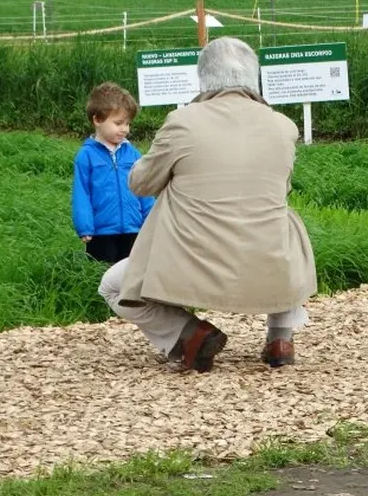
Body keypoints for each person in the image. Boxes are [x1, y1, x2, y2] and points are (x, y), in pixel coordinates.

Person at [98, 37, 317, 372]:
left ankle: (190, 334)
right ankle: (280, 337)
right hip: (267, 262)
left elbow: (141, 184)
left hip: (192, 264)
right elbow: (282, 188)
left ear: (202, 78)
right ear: (254, 78)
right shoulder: (283, 127)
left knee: (113, 286)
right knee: (283, 221)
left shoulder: (182, 122)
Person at [72, 82, 154, 264]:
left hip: (134, 229)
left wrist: (150, 220)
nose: (125, 129)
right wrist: (85, 226)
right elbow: (81, 193)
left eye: (127, 123)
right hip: (101, 232)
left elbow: (143, 188)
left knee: (132, 272)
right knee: (103, 273)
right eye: (118, 123)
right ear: (97, 120)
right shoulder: (86, 156)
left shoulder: (133, 154)